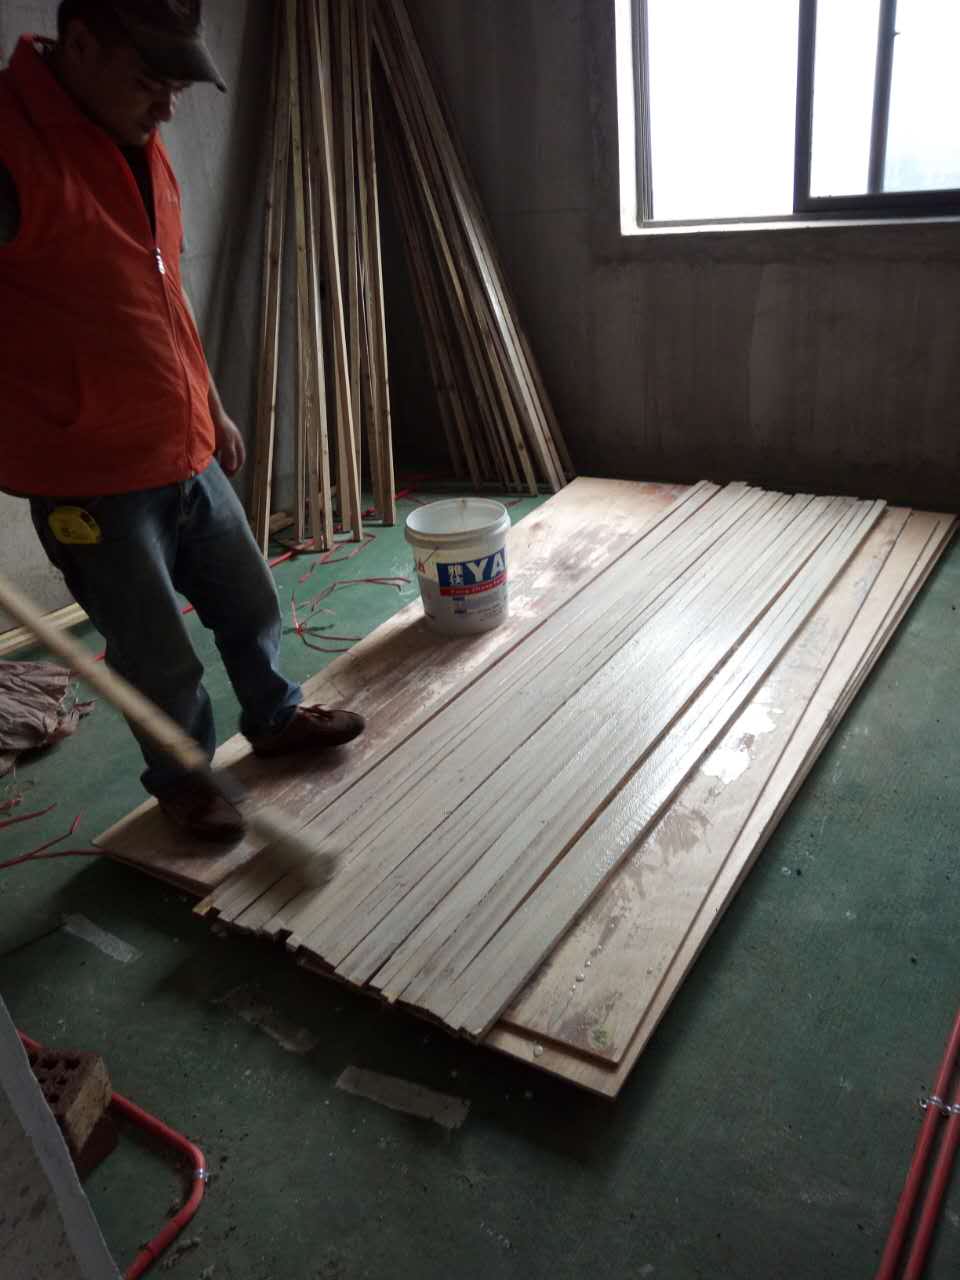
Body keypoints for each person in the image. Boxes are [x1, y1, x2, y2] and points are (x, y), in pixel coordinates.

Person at [0, 0, 365, 840]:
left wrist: (211, 404)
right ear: (80, 43)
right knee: (156, 654)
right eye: (149, 81)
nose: (168, 106)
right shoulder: (10, 147)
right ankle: (185, 782)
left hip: (184, 443)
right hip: (91, 475)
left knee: (250, 600)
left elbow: (157, 291)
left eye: (178, 86)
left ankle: (273, 717)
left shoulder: (134, 136)